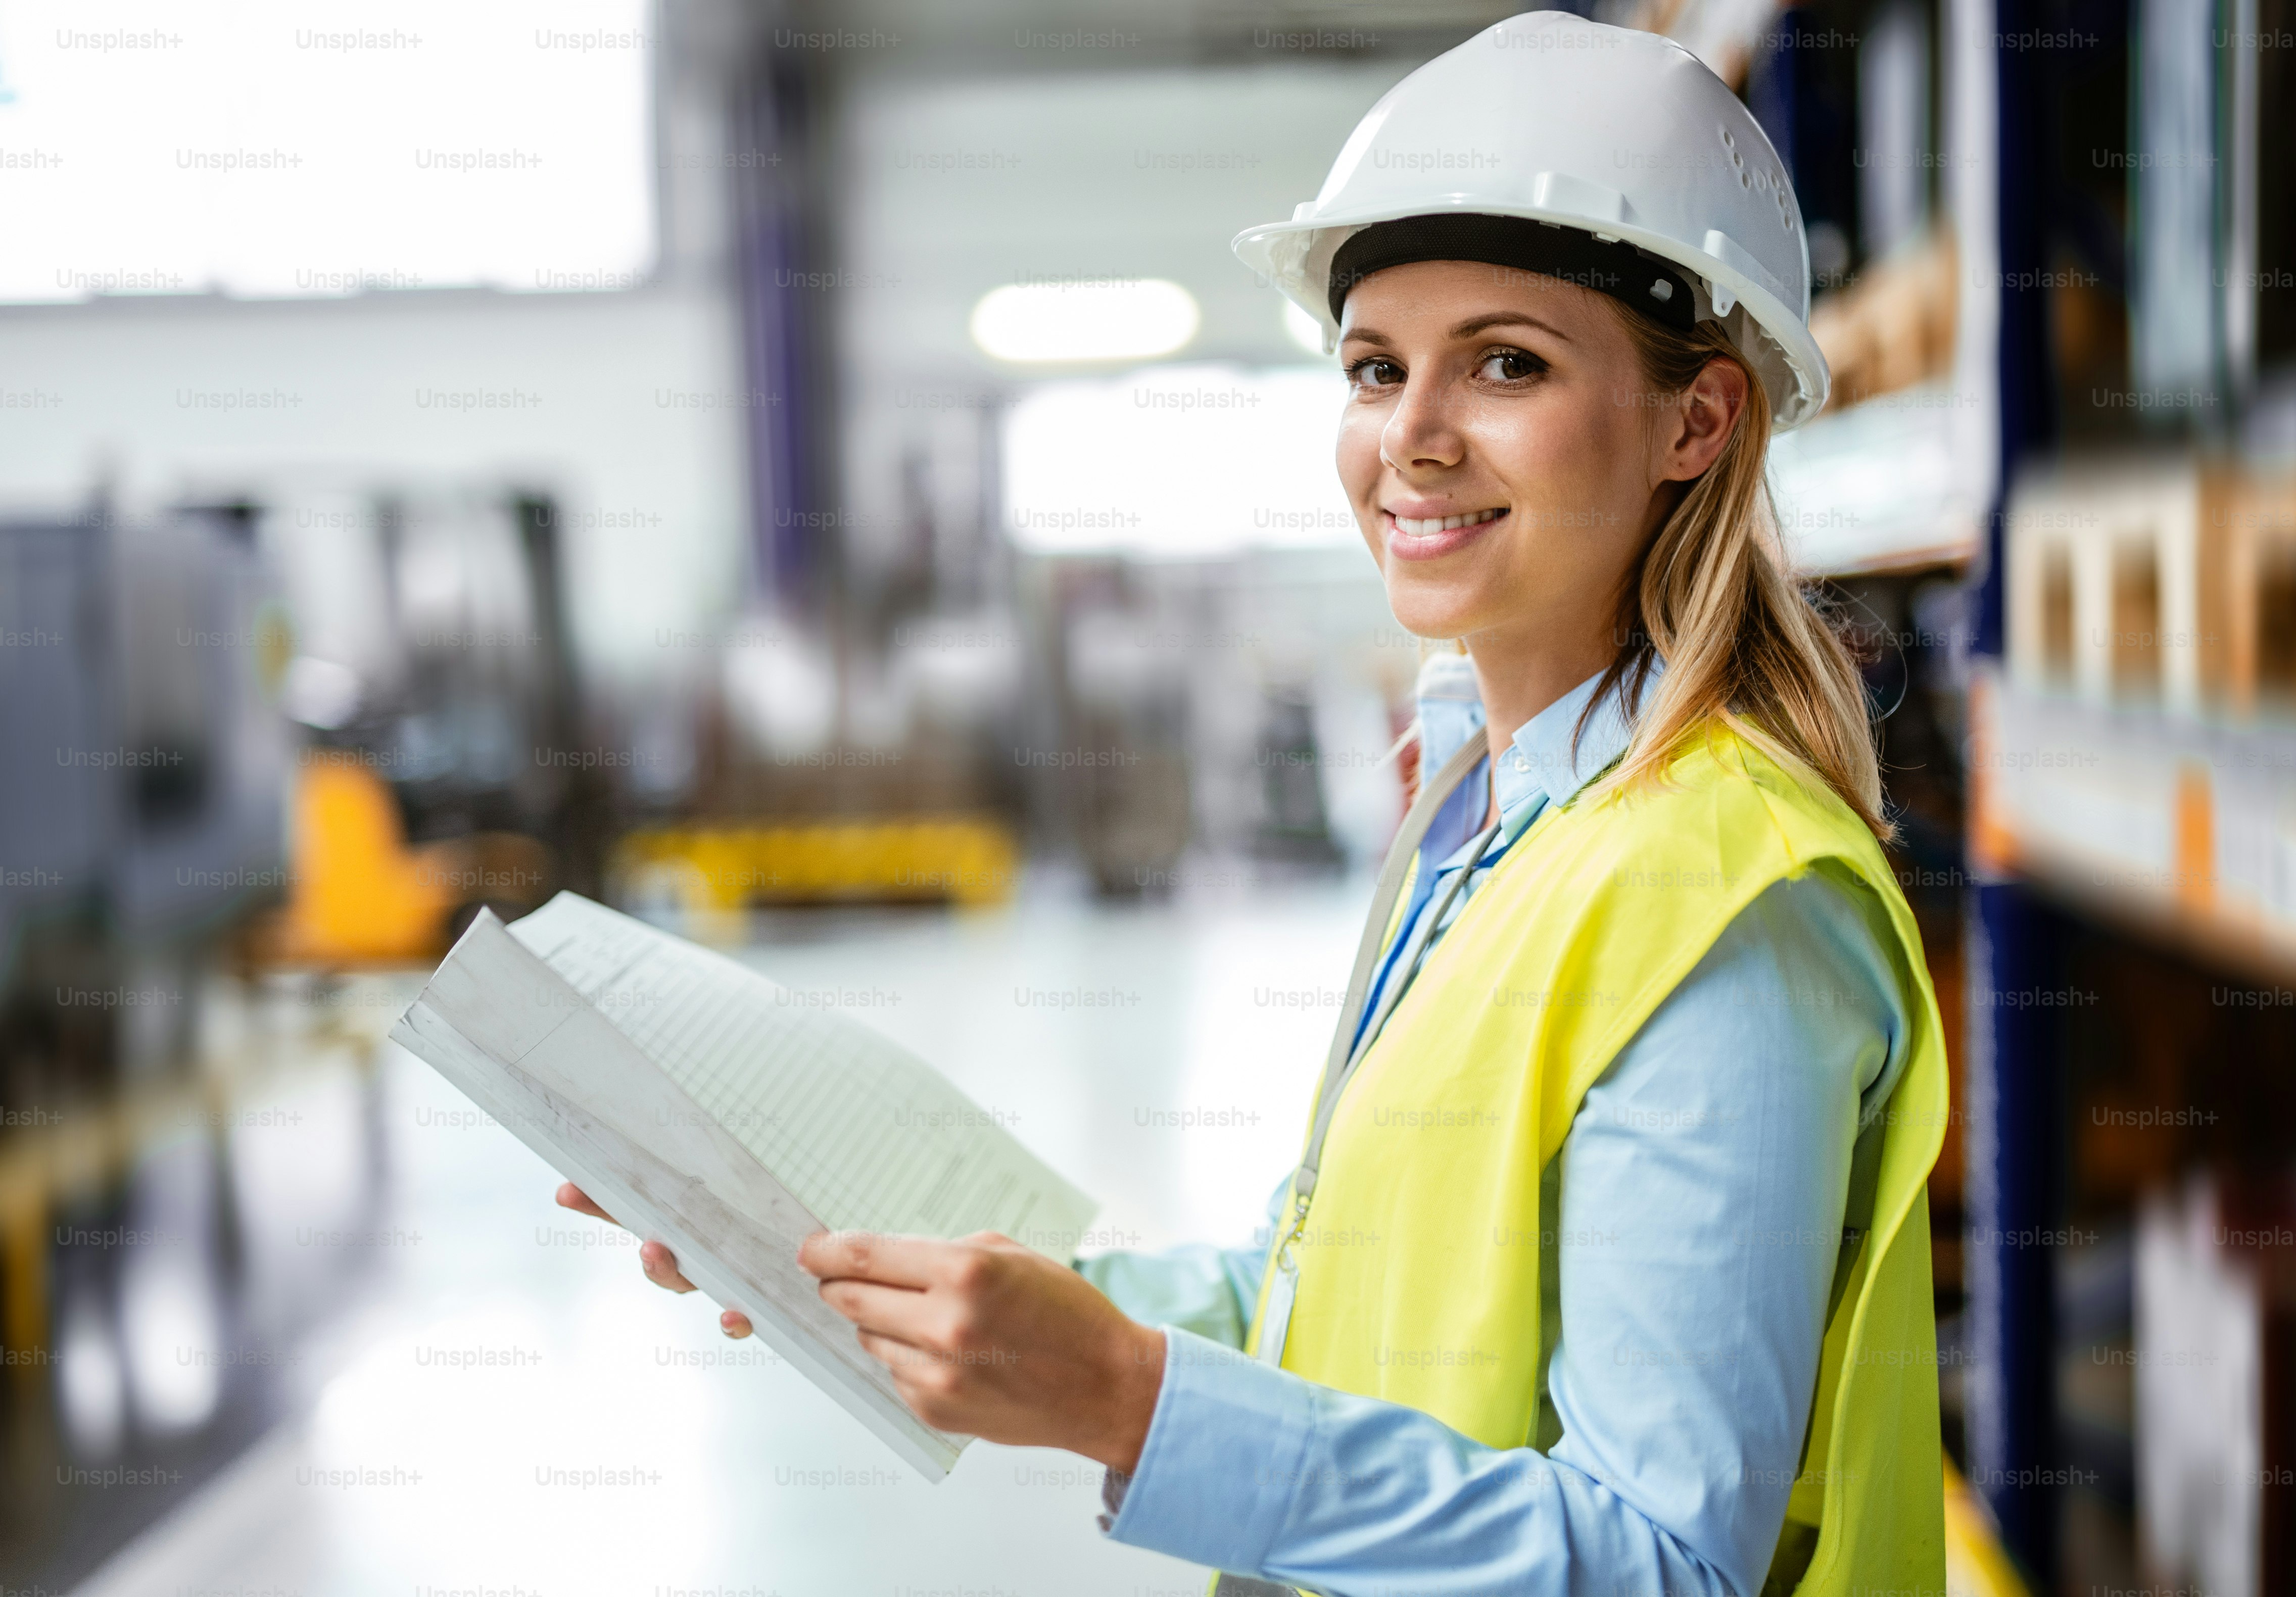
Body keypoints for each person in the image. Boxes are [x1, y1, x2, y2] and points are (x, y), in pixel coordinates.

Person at [555, 13, 1950, 1596]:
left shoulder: (1724, 901)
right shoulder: (1490, 812)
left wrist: (1128, 1402)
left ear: (1697, 421)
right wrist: (941, 1288)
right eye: (1374, 368)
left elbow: (1656, 1563)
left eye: (1507, 362)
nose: (1412, 437)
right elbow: (1347, 1290)